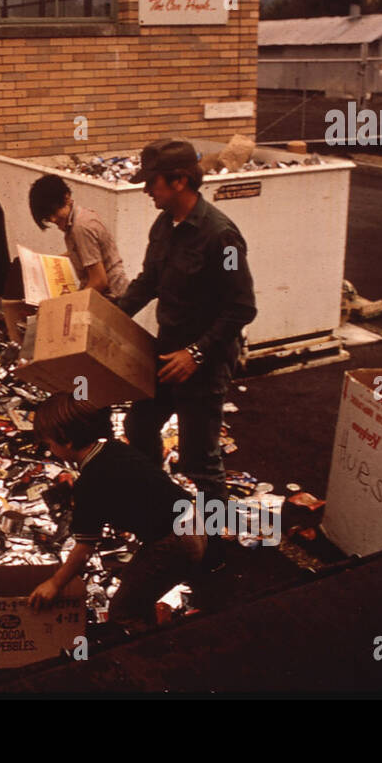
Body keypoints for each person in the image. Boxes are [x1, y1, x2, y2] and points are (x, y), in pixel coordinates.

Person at [115, 139, 256, 505]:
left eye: (152, 182)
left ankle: (213, 554)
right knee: (139, 425)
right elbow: (149, 281)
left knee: (199, 461)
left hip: (204, 364)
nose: (146, 190)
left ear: (179, 180)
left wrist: (195, 353)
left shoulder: (222, 237)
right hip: (166, 354)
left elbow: (242, 307)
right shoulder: (163, 226)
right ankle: (161, 503)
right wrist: (107, 316)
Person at [26, 393, 208, 632]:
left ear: (65, 441)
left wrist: (54, 584)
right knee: (138, 584)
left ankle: (156, 654)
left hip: (174, 543)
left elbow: (83, 550)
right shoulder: (113, 448)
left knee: (124, 610)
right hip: (196, 522)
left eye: (50, 444)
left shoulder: (89, 483)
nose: (49, 450)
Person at [28, 173, 129, 298]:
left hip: (112, 298)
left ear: (67, 198)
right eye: (48, 216)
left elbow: (99, 281)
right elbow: (84, 252)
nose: (53, 219)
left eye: (54, 211)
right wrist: (47, 263)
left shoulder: (81, 227)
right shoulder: (79, 219)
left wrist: (70, 302)